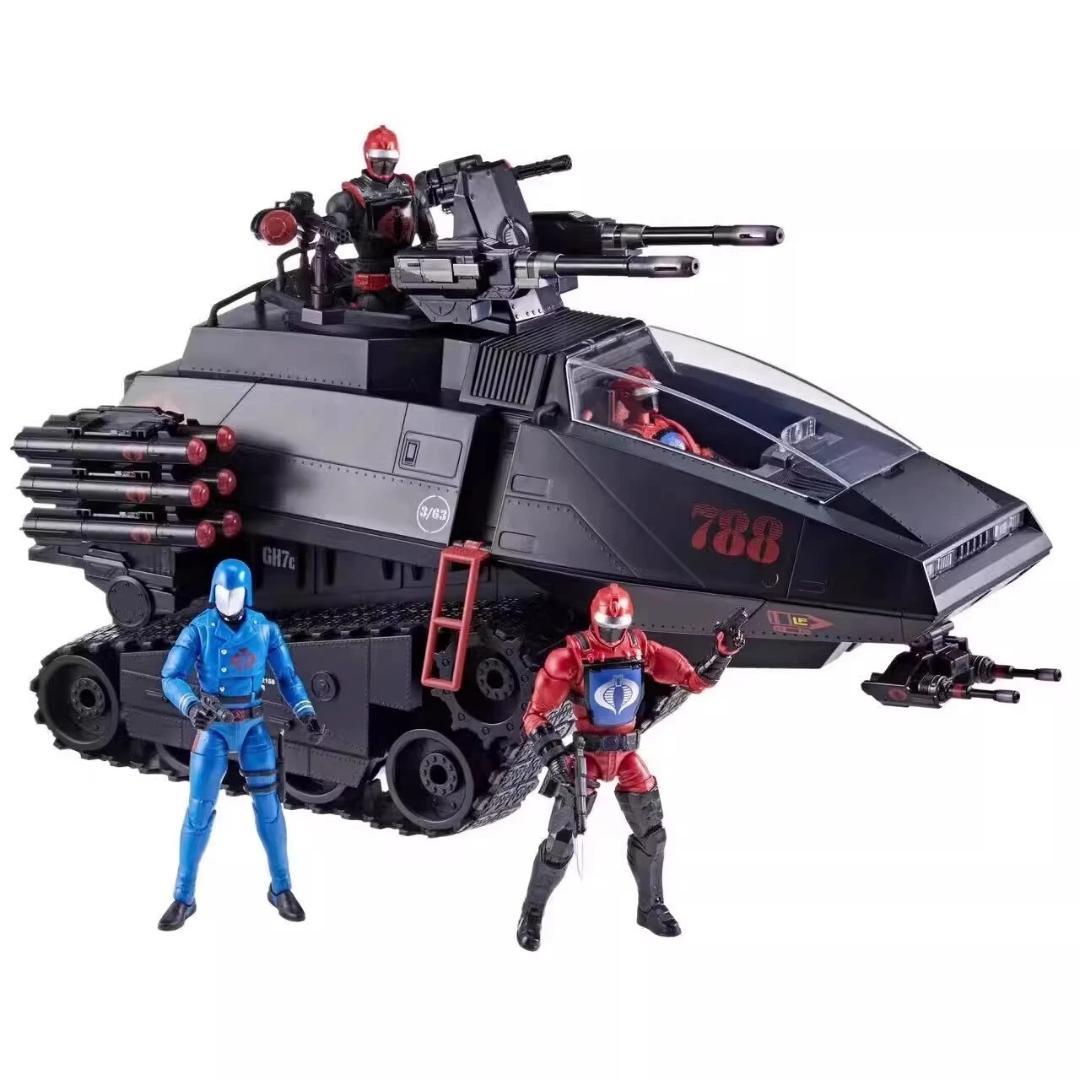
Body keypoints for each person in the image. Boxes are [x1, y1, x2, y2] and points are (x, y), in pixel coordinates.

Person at [515, 582, 743, 950]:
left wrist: (722, 653)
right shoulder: (569, 658)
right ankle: (532, 912)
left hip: (626, 755)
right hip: (587, 757)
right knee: (559, 842)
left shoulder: (640, 648)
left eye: (618, 627)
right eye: (607, 627)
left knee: (653, 834)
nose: (612, 635)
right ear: (594, 620)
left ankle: (651, 907)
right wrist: (555, 758)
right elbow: (535, 715)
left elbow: (693, 680)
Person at [156, 558, 325, 930]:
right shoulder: (199, 629)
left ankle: (281, 888)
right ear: (213, 591)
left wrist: (306, 711)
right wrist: (191, 705)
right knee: (199, 811)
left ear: (246, 594)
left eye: (234, 592)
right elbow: (170, 676)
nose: (227, 599)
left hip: (252, 726)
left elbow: (288, 677)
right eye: (221, 591)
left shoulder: (265, 629)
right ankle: (183, 896)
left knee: (270, 809)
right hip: (213, 728)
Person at [324, 124, 437, 309]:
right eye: (379, 158)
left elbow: (430, 241)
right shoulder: (347, 199)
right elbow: (327, 248)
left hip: (410, 279)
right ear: (368, 156)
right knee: (370, 310)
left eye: (389, 158)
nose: (384, 165)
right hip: (370, 285)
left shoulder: (412, 191)